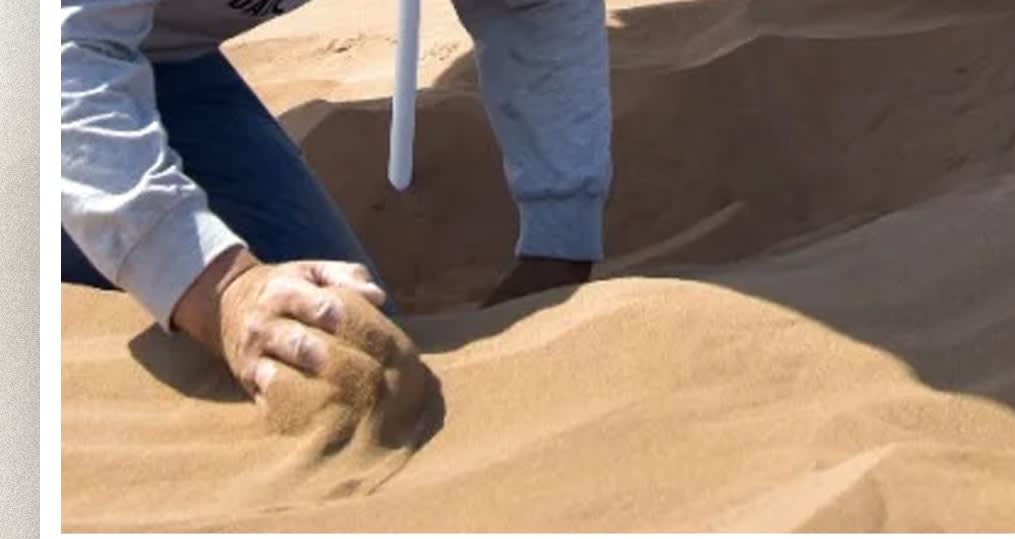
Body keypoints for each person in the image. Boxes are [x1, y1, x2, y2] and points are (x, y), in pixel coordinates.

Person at [61, 0, 611, 399]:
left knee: (353, 350)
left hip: (169, 65)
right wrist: (219, 291)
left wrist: (559, 237)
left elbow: (533, 5)